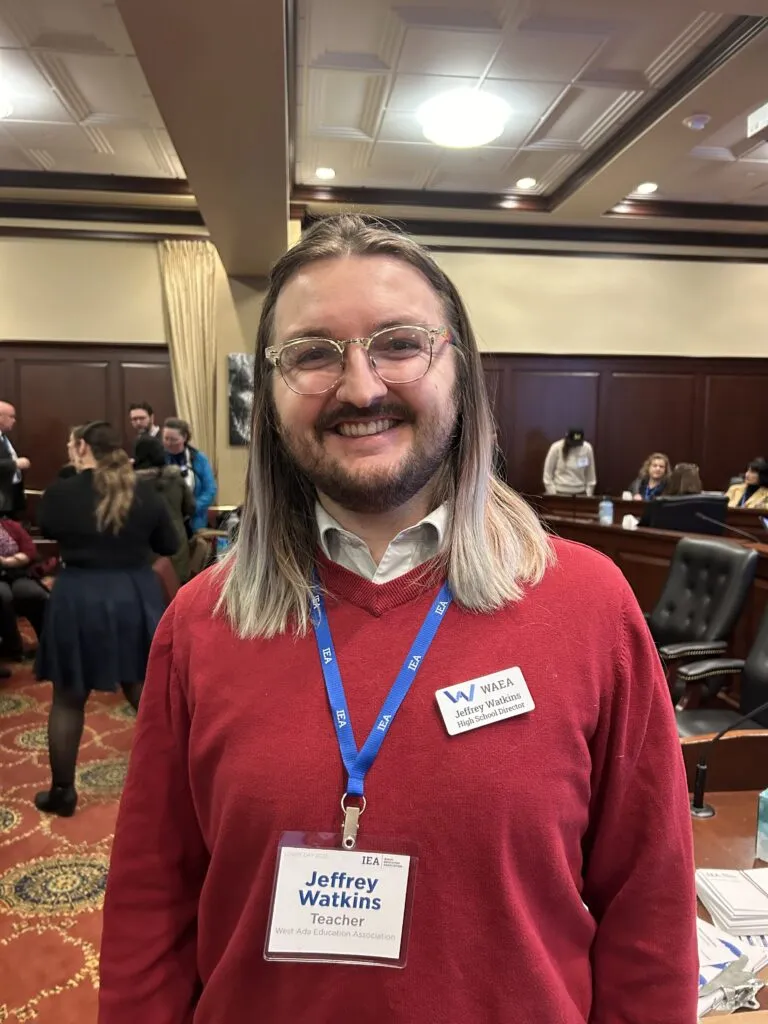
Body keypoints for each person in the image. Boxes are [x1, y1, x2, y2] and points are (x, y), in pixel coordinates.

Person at [99, 215, 697, 1024]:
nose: (361, 387)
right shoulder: (200, 623)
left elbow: (650, 911)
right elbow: (149, 910)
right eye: (312, 354)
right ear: (268, 398)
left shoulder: (589, 605)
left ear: (459, 367)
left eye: (399, 342)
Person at [34, 421, 179, 817]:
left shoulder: (61, 492)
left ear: (82, 447)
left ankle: (63, 792)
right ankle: (179, 788)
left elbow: (44, 528)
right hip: (133, 594)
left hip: (78, 595)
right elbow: (169, 545)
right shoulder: (145, 493)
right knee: (147, 696)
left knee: (68, 697)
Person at [134, 435, 195, 583]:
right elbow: (190, 507)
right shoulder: (175, 478)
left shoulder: (130, 484)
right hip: (176, 543)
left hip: (143, 549)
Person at [0, 517, 48, 663]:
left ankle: (48, 644)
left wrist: (7, 562)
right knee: (2, 596)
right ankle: (13, 646)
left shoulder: (10, 525)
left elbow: (29, 550)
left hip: (18, 572)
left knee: (32, 593)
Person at [162, 417, 217, 532]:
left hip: (195, 522)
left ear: (184, 438)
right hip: (167, 523)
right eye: (166, 439)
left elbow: (210, 490)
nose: (169, 443)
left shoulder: (199, 458)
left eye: (173, 439)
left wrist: (193, 507)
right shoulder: (160, 459)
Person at [542, 427, 597, 496]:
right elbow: (547, 475)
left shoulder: (587, 448)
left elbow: (591, 476)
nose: (575, 446)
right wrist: (553, 494)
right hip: (559, 493)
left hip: (581, 493)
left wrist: (588, 494)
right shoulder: (556, 448)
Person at [0, 401, 30, 519]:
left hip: (12, 495)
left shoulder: (4, 437)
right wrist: (15, 464)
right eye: (11, 417)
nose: (14, 421)